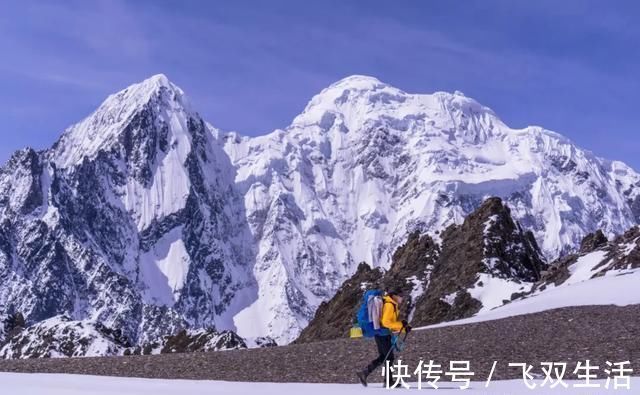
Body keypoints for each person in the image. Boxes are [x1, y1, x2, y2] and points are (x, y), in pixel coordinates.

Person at [357, 288, 412, 387]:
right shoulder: (389, 305)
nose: (402, 298)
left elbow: (390, 323)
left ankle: (366, 373)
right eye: (401, 295)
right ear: (394, 295)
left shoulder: (389, 303)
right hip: (383, 334)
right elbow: (386, 322)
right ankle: (387, 381)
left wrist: (404, 328)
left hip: (380, 333)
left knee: (384, 357)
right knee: (388, 358)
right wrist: (401, 325)